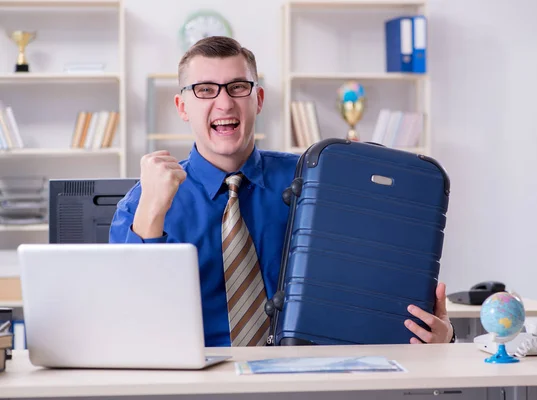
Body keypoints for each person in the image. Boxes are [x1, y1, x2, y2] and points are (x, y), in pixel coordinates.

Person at [109, 36, 455, 347]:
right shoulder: (143, 201)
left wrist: (437, 336)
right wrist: (152, 212)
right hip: (202, 384)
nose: (225, 103)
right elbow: (124, 320)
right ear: (182, 107)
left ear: (258, 99)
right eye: (205, 90)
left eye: (237, 87)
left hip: (312, 376)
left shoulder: (322, 180)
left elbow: (373, 284)